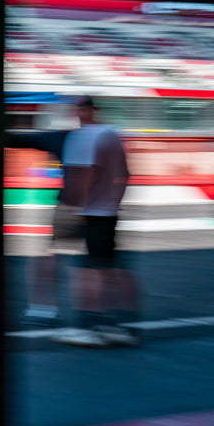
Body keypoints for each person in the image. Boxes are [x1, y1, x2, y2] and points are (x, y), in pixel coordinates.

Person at [50, 96, 139, 348]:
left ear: (85, 110)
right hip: (108, 213)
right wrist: (114, 202)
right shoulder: (112, 133)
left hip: (90, 213)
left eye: (78, 108)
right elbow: (125, 174)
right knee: (111, 269)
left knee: (86, 272)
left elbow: (83, 176)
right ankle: (119, 326)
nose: (76, 113)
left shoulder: (83, 137)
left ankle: (88, 327)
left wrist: (73, 208)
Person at [6, 127, 71, 327]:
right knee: (99, 265)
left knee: (50, 258)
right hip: (100, 209)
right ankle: (107, 318)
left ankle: (44, 309)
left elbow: (14, 140)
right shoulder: (105, 136)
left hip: (71, 205)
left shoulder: (63, 137)